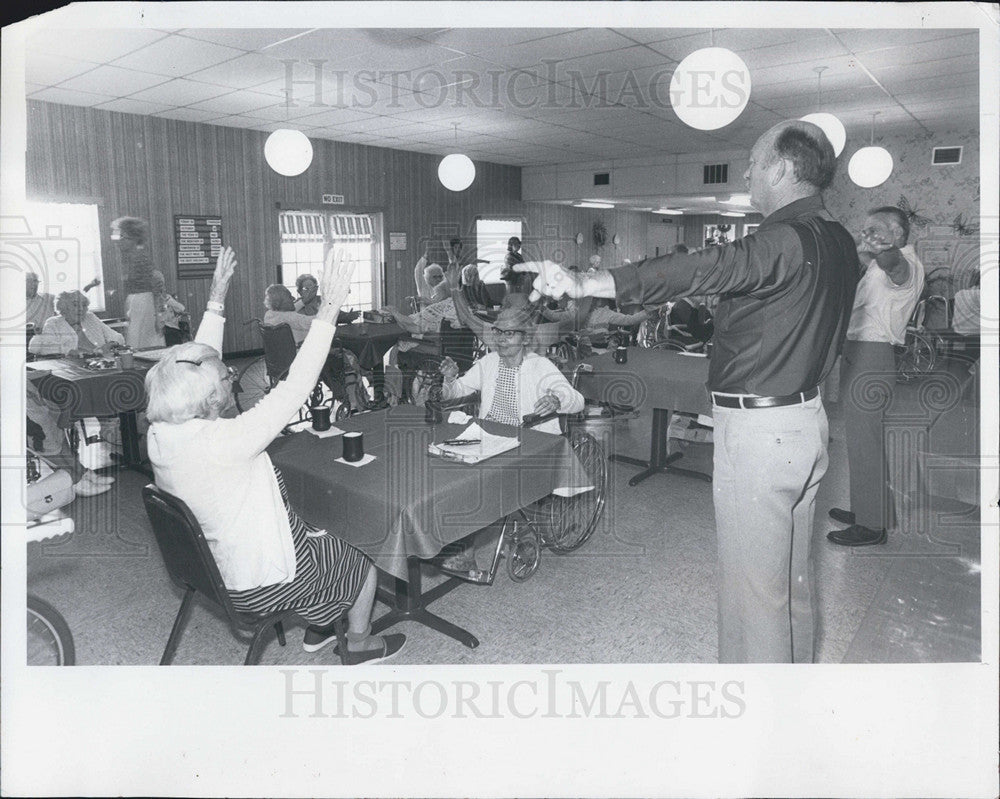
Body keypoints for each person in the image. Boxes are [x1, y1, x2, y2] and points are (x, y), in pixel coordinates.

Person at [515, 120, 859, 664]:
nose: (745, 170)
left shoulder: (782, 240)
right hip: (806, 420)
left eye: (752, 160)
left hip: (763, 434)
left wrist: (588, 283)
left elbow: (699, 268)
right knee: (790, 582)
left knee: (755, 595)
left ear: (782, 169)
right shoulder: (838, 239)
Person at [144, 246, 405, 664]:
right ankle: (357, 642)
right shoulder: (224, 443)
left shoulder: (161, 434)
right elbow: (295, 386)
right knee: (363, 545)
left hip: (212, 570)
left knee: (315, 523)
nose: (230, 378)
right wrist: (330, 310)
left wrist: (216, 299)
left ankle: (322, 625)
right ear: (210, 401)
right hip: (257, 583)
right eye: (225, 380)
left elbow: (195, 363)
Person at [827, 206, 925, 547]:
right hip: (859, 353)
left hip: (873, 356)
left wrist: (884, 250)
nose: (867, 234)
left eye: (876, 230)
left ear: (896, 235)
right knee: (861, 439)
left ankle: (871, 527)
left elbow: (897, 270)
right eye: (866, 228)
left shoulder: (906, 263)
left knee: (864, 441)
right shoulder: (874, 267)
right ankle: (870, 511)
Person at [112, 216, 164, 349]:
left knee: (140, 342)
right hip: (135, 301)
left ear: (133, 238)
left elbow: (157, 284)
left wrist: (158, 316)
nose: (118, 241)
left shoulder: (140, 256)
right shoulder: (128, 256)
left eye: (122, 237)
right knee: (136, 340)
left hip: (144, 302)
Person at [29, 290, 125, 357]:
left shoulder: (90, 317)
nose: (81, 309)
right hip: (71, 367)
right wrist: (68, 351)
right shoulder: (53, 323)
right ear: (63, 307)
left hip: (101, 362)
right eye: (75, 304)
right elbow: (41, 347)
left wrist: (112, 343)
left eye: (84, 305)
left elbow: (118, 337)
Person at [151, 270, 188, 346]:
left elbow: (181, 308)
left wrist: (167, 300)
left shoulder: (167, 298)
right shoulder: (150, 300)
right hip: (159, 332)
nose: (160, 287)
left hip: (172, 330)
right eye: (157, 284)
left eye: (161, 284)